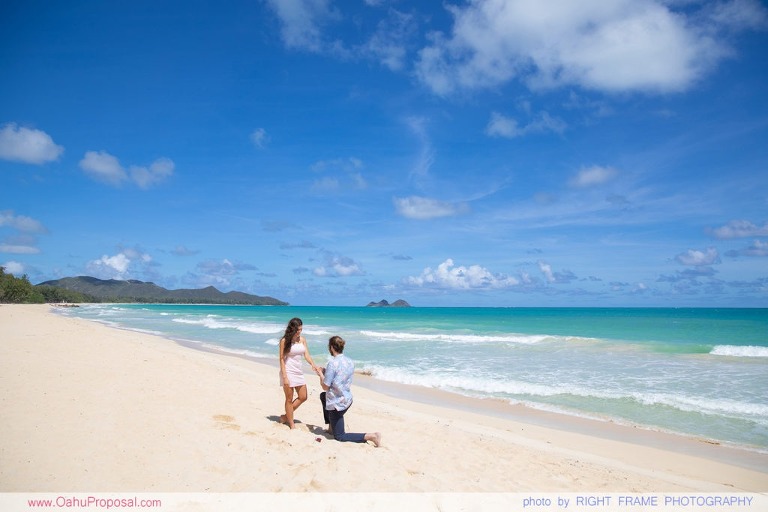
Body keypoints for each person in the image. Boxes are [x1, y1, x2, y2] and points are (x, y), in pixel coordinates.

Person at [315, 335, 381, 447]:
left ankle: (372, 436)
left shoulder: (332, 363)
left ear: (331, 347)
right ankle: (331, 427)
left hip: (337, 404)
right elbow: (340, 376)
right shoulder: (350, 361)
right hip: (347, 399)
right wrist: (325, 371)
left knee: (340, 436)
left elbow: (325, 386)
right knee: (323, 396)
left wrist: (320, 374)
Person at [279, 317, 319, 429]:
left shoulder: (302, 339)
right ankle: (291, 424)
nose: (299, 332)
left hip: (298, 371)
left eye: (301, 329)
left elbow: (306, 354)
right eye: (297, 330)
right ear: (292, 329)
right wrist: (284, 376)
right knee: (289, 398)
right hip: (288, 371)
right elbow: (281, 359)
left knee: (303, 396)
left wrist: (313, 364)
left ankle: (286, 416)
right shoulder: (284, 341)